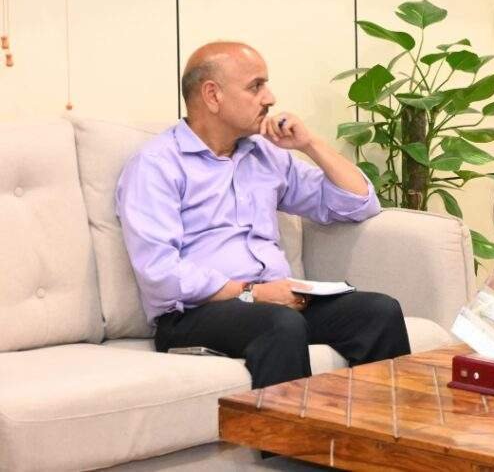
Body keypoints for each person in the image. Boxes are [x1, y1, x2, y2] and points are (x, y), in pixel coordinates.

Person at [116, 41, 410, 388]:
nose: (270, 98)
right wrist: (252, 293)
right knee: (281, 324)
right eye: (256, 86)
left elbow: (358, 203)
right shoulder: (157, 165)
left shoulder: (265, 155)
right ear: (212, 95)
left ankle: (378, 425)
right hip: (194, 315)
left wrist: (310, 144)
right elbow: (160, 274)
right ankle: (284, 428)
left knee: (379, 312)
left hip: (275, 304)